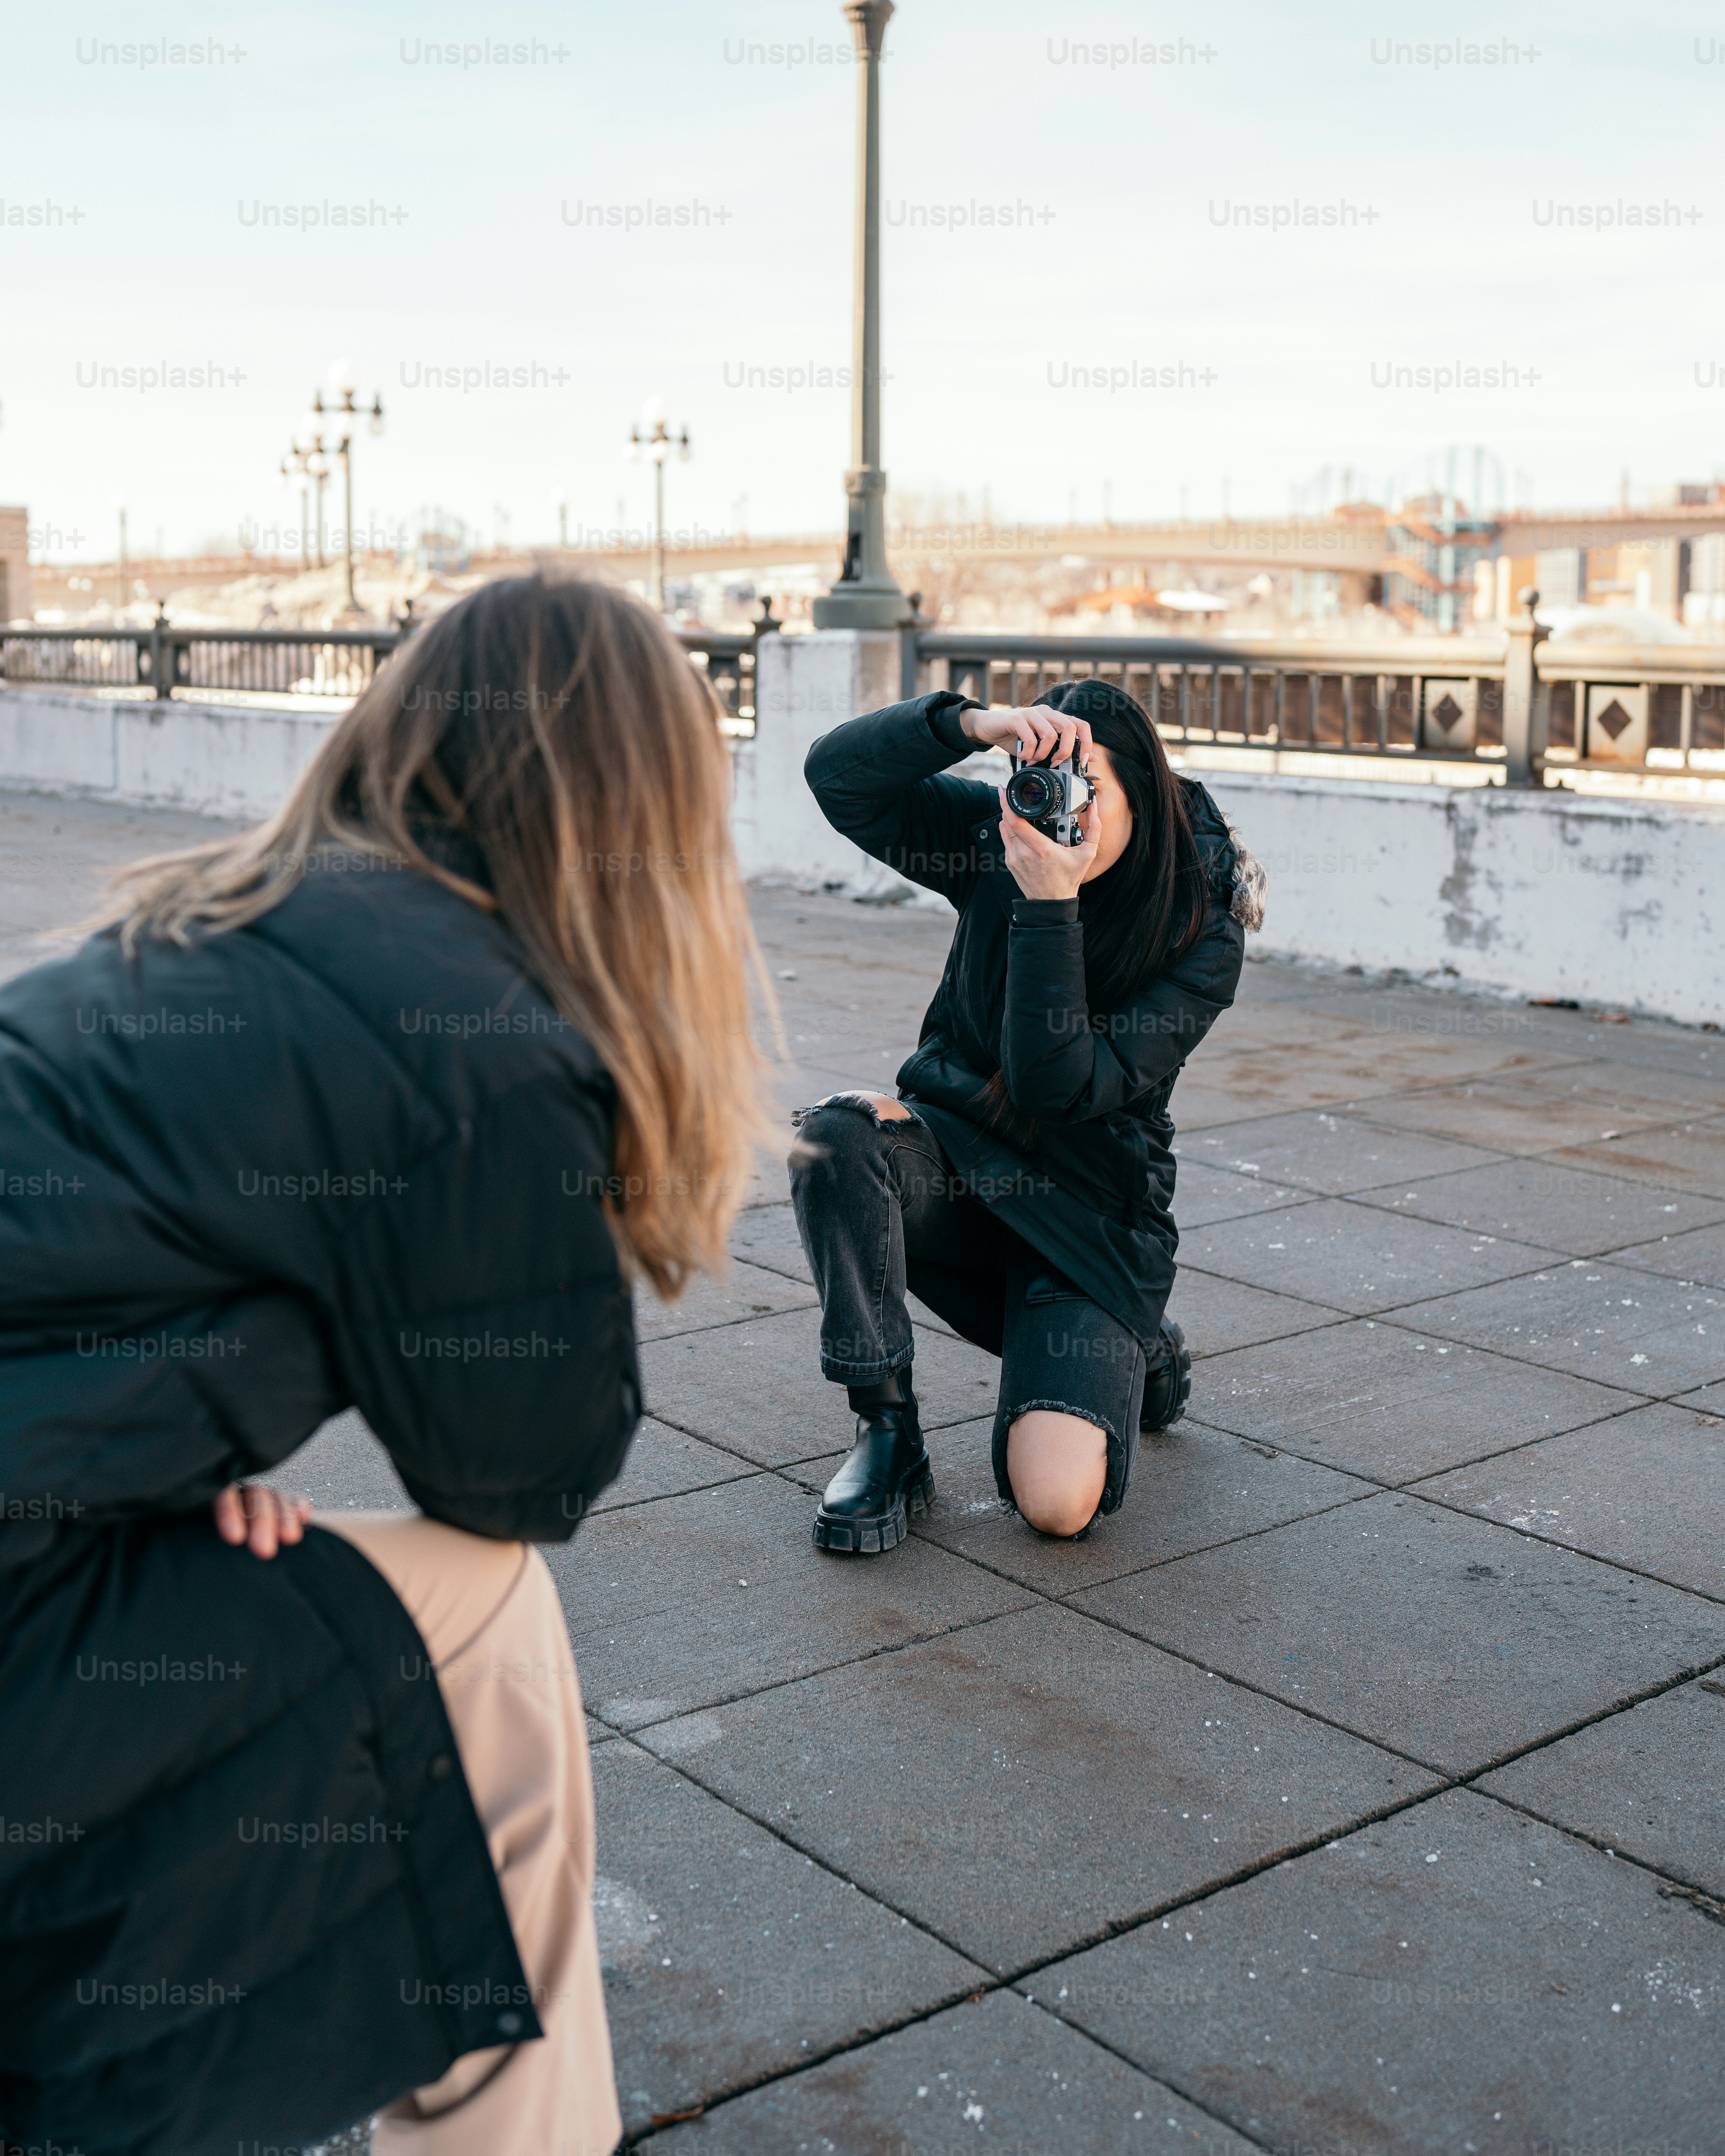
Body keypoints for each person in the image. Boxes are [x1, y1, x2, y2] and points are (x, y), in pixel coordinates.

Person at [0, 576, 767, 2155]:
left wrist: (149, 1493)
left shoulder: (200, 925)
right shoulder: (476, 1035)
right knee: (488, 1604)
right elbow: (523, 1469)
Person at [792, 676, 1264, 1552]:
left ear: (1145, 796)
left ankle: (1138, 1346)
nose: (1052, 815)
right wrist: (972, 724)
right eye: (1035, 784)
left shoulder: (1202, 926)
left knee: (1055, 1506)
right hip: (965, 1170)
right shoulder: (995, 833)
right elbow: (837, 778)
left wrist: (1052, 905)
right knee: (835, 1139)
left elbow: (1062, 1090)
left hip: (1089, 1221)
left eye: (1084, 791)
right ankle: (887, 1432)